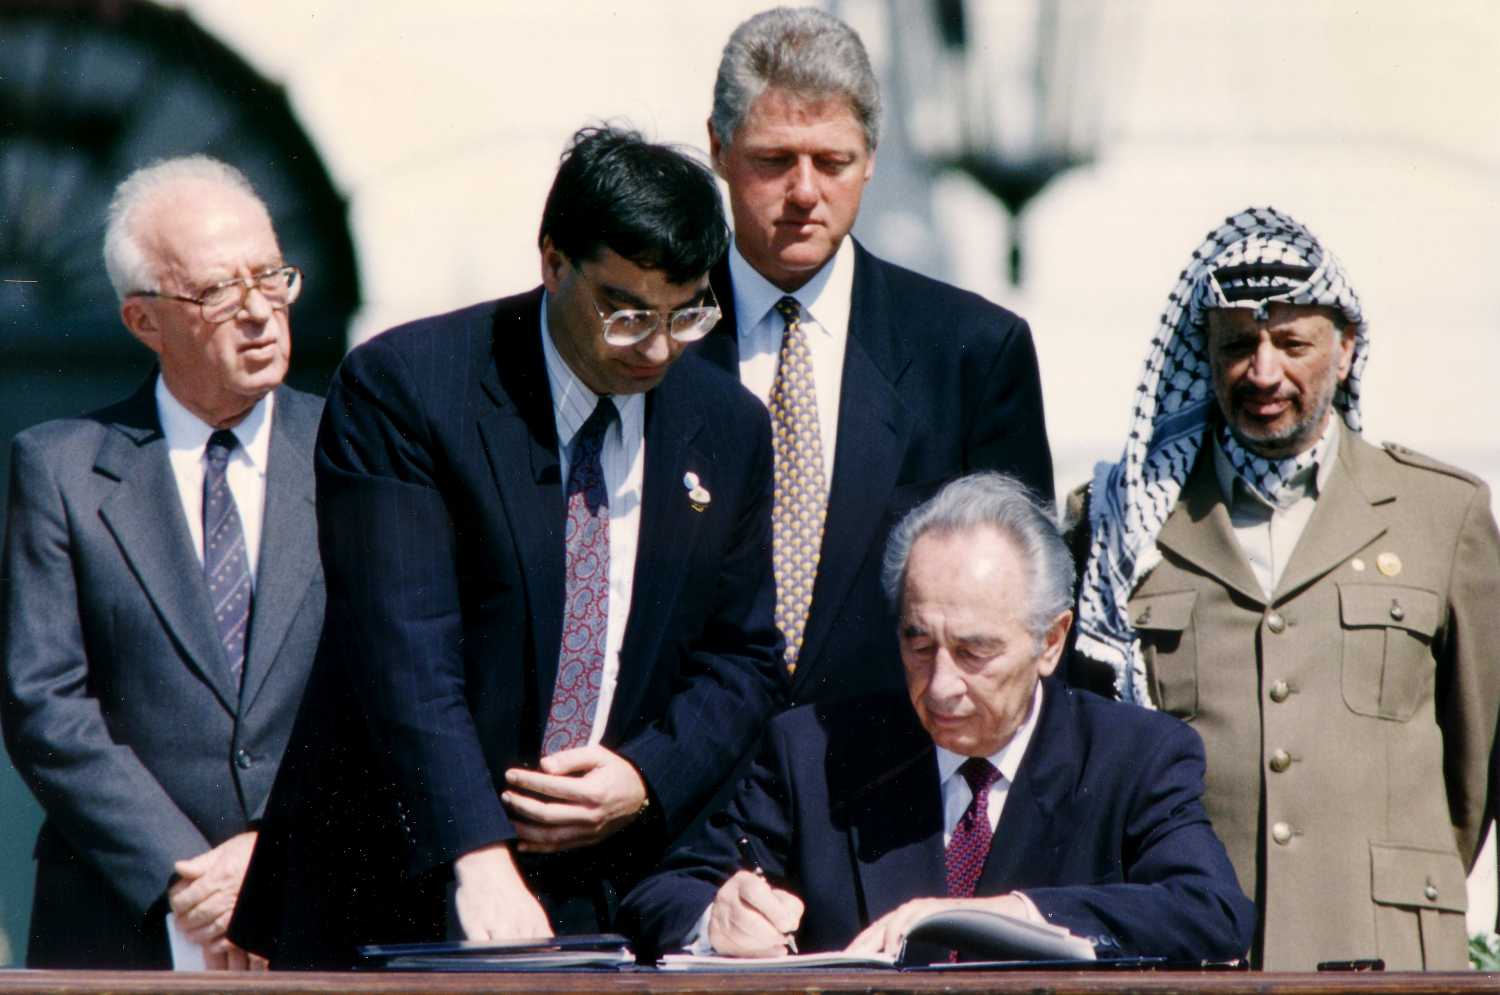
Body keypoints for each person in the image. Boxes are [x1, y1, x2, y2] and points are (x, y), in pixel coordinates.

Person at [228, 126, 784, 968]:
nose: (659, 347)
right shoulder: (409, 390)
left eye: (688, 313)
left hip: (611, 886)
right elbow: (402, 650)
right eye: (627, 312)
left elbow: (743, 656)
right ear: (554, 261)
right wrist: (476, 855)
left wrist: (645, 777)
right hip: (401, 883)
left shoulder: (727, 426)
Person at [1066, 206, 1500, 969]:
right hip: (1190, 954)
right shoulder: (1123, 526)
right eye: (1237, 345)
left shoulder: (1443, 514)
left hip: (1386, 952)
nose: (1262, 372)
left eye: (1292, 342)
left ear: (1345, 347)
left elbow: (1479, 762)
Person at [619, 473, 1254, 962]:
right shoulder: (814, 751)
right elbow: (662, 894)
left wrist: (1015, 915)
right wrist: (717, 920)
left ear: (1052, 642)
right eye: (919, 645)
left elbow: (1213, 912)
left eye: (976, 652)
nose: (942, 685)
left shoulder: (1133, 756)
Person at [0, 155, 324, 970]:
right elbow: (44, 704)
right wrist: (189, 877)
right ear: (143, 321)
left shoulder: (356, 453)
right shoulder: (62, 468)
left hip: (315, 908)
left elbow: (402, 680)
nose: (259, 312)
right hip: (122, 920)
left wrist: (273, 856)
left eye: (271, 277)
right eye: (219, 291)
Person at [693, 7, 1054, 705]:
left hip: (887, 790)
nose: (804, 192)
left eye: (833, 162)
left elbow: (1026, 606)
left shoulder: (971, 354)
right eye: (773, 160)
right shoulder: (661, 339)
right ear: (717, 148)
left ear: (873, 157)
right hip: (689, 789)